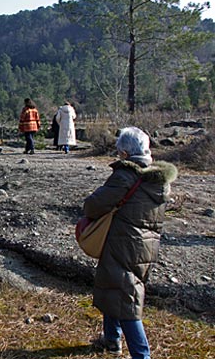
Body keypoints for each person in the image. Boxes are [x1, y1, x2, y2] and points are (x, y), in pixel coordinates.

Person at [83, 127, 177, 359]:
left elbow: (94, 205)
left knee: (126, 300)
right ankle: (111, 340)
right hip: (146, 245)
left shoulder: (125, 175)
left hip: (122, 242)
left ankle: (140, 354)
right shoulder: (159, 180)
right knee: (116, 287)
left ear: (125, 153)